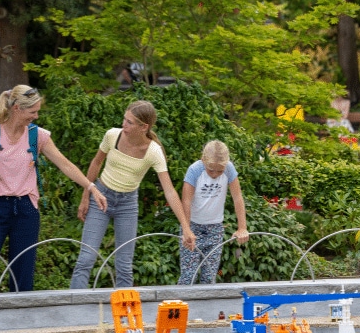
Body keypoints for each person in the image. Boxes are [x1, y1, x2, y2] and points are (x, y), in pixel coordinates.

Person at [0, 85, 108, 294]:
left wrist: (91, 187)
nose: (36, 116)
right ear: (17, 108)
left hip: (26, 209)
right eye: (32, 112)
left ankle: (20, 321)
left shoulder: (38, 136)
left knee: (23, 275)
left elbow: (64, 164)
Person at [70, 100, 190, 289]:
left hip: (127, 204)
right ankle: (74, 310)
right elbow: (96, 162)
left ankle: (126, 313)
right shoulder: (112, 135)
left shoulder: (153, 151)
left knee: (124, 265)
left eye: (129, 122)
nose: (124, 125)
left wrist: (186, 227)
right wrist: (86, 197)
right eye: (124, 119)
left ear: (144, 127)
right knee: (86, 258)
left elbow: (169, 191)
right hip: (101, 197)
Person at [178, 140, 248, 285]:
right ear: (203, 160)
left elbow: (237, 197)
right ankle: (183, 306)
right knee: (188, 276)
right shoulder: (195, 170)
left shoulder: (229, 169)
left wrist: (242, 227)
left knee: (209, 277)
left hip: (215, 228)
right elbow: (186, 201)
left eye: (219, 171)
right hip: (192, 227)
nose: (215, 174)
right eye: (211, 170)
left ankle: (206, 307)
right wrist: (187, 230)